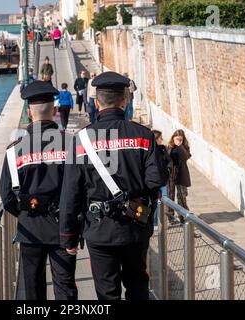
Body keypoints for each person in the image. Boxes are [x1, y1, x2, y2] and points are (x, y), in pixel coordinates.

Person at [60, 71, 163, 301]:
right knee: (138, 286)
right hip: (136, 225)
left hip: (99, 230)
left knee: (107, 293)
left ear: (97, 103)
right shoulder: (144, 136)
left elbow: (71, 193)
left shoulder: (81, 140)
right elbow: (157, 180)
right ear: (124, 100)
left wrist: (68, 236)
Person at [0, 81, 78, 300]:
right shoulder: (72, 144)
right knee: (65, 287)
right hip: (64, 227)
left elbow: (6, 197)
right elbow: (82, 188)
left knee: (33, 289)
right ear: (54, 112)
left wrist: (27, 211)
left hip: (30, 229)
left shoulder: (14, 151)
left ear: (29, 113)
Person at [167, 129, 192, 224]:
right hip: (170, 173)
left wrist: (180, 146)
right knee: (170, 195)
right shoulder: (168, 147)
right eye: (177, 139)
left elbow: (185, 157)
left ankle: (183, 216)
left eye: (181, 139)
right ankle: (171, 217)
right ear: (173, 138)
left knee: (182, 195)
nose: (178, 141)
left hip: (181, 173)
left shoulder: (185, 147)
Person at [152, 130, 173, 225]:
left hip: (163, 180)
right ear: (156, 139)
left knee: (164, 200)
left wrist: (168, 170)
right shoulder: (149, 150)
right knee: (155, 202)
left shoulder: (162, 148)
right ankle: (155, 222)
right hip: (153, 181)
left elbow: (169, 161)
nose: (162, 139)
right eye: (160, 138)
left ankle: (163, 222)